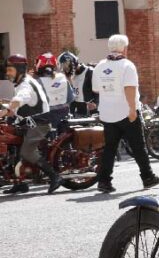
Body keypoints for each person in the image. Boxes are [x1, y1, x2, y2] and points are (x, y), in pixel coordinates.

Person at [92, 34, 159, 193]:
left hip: (107, 113)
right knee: (138, 146)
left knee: (110, 148)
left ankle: (104, 181)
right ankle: (148, 177)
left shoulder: (100, 66)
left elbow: (95, 89)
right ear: (124, 47)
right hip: (125, 112)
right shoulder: (127, 65)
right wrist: (132, 109)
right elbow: (129, 88)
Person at [0, 54, 62, 194]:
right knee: (11, 140)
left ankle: (54, 176)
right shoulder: (22, 82)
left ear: (19, 69)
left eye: (10, 70)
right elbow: (17, 106)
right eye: (7, 70)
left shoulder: (26, 84)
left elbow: (19, 99)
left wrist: (5, 111)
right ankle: (19, 182)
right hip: (27, 121)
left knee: (27, 151)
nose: (7, 73)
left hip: (40, 123)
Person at [35, 53, 74, 126]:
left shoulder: (37, 82)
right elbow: (70, 98)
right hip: (63, 117)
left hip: (45, 120)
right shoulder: (63, 77)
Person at [59, 51, 97, 117]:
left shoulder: (90, 72)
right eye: (63, 67)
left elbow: (98, 90)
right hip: (74, 109)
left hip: (89, 109)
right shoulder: (67, 76)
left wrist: (96, 103)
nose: (65, 69)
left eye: (66, 66)